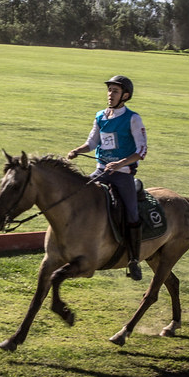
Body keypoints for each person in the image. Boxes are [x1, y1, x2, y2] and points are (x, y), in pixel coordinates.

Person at [67, 75, 148, 281]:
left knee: (132, 214)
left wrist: (120, 164)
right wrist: (77, 150)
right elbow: (92, 143)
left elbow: (141, 151)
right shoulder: (100, 116)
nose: (110, 94)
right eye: (109, 90)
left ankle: (133, 260)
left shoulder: (133, 118)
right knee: (77, 196)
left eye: (115, 91)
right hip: (101, 172)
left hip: (123, 175)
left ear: (125, 96)